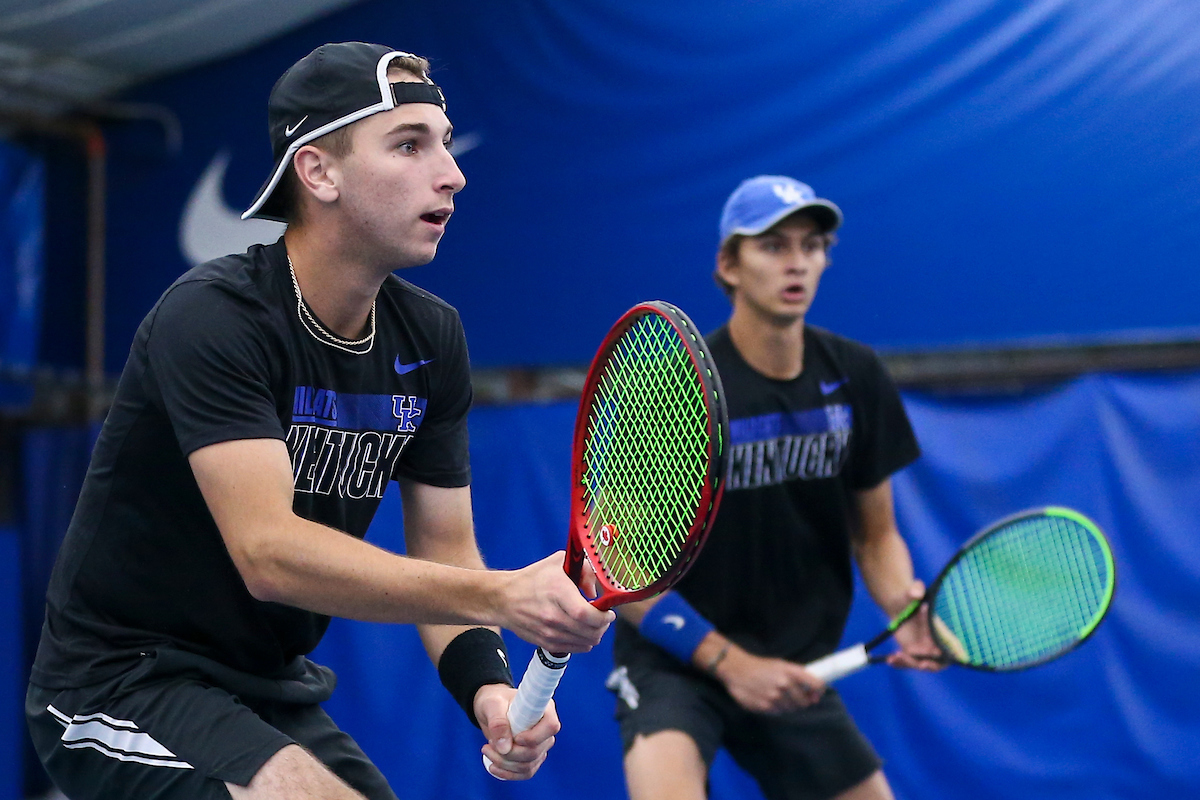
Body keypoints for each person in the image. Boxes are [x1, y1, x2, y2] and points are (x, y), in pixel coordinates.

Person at [25, 42, 613, 800]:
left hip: (267, 686)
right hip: (120, 679)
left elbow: (448, 552)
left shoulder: (432, 339)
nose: (453, 172)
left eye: (445, 141)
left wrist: (491, 692)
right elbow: (268, 554)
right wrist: (504, 595)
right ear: (318, 171)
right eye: (409, 143)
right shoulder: (212, 317)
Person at [607, 175, 943, 800]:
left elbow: (877, 537)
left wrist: (905, 608)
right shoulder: (670, 386)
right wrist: (731, 664)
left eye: (811, 245)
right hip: (675, 658)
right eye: (773, 246)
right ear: (728, 265)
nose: (796, 263)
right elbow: (617, 571)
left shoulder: (857, 374)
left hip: (794, 664)